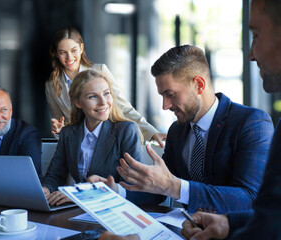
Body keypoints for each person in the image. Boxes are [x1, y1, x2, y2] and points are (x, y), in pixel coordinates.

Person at [93, 44, 273, 213]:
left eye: (170, 94)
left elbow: (250, 198)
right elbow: (160, 187)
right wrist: (117, 191)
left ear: (199, 85)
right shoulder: (177, 131)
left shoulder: (251, 123)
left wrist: (175, 187)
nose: (165, 106)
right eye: (162, 96)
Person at [181, 0, 281, 239]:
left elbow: (261, 217)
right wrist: (228, 223)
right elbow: (274, 216)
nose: (251, 54)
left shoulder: (253, 123)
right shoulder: (178, 130)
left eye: (256, 35)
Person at [45, 27, 166, 146]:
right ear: (56, 54)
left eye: (73, 50)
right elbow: (60, 123)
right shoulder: (52, 86)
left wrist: (152, 133)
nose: (69, 57)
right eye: (62, 52)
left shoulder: (100, 70)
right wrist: (59, 131)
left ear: (81, 48)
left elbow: (124, 108)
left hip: (110, 141)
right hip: (80, 146)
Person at [42, 69, 143, 206]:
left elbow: (134, 185)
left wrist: (80, 195)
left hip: (113, 208)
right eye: (92, 97)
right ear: (78, 102)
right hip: (79, 209)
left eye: (106, 94)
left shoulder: (126, 130)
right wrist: (45, 190)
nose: (103, 102)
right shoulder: (68, 133)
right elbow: (55, 175)